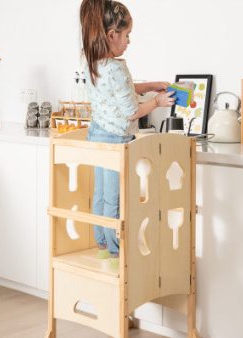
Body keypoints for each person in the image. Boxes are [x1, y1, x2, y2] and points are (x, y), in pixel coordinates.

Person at [80, 0, 175, 263]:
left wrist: (151, 86)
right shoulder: (117, 68)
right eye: (127, 35)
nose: (129, 41)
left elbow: (119, 91)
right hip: (114, 139)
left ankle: (101, 242)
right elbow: (131, 111)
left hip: (97, 134)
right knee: (114, 199)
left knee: (100, 195)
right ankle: (114, 250)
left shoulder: (93, 62)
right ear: (112, 35)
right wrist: (157, 102)